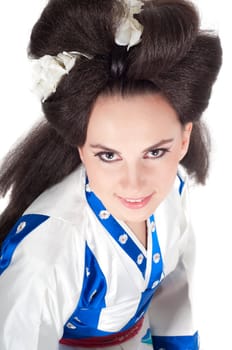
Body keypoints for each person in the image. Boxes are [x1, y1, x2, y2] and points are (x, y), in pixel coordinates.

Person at [0, 0, 222, 349]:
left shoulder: (174, 189)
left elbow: (174, 293)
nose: (134, 182)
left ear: (184, 139)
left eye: (155, 152)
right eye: (108, 155)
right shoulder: (49, 248)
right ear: (80, 147)